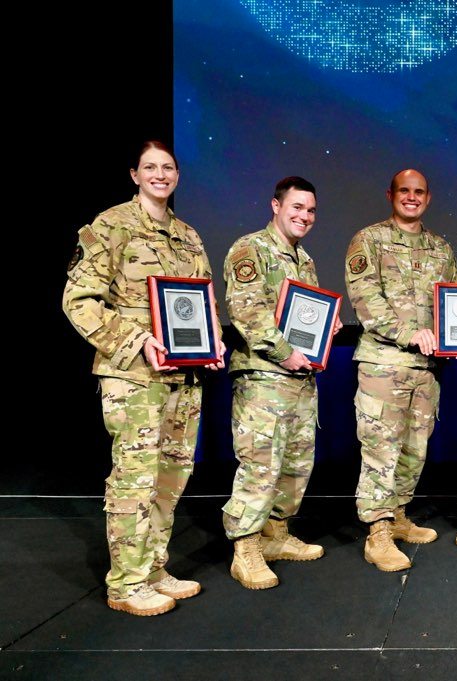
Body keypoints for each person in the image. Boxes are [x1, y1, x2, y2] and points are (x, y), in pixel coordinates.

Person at [63, 141, 225, 616]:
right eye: (150, 167)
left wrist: (213, 342)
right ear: (134, 174)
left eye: (168, 167)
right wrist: (136, 340)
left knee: (170, 477)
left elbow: (203, 301)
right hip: (134, 375)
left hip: (183, 376)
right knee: (134, 478)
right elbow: (78, 301)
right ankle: (127, 583)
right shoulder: (110, 226)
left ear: (177, 175)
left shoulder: (188, 235)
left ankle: (153, 568)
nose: (160, 174)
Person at [222, 176, 339, 590]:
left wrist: (327, 329)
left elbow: (305, 317)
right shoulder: (250, 249)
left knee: (295, 463)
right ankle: (245, 549)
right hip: (264, 377)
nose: (305, 216)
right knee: (261, 463)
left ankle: (275, 534)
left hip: (299, 378)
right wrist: (285, 352)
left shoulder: (304, 259)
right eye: (297, 207)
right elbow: (247, 312)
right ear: (276, 206)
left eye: (311, 210)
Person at [345, 169, 457, 572]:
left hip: (426, 369)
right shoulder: (369, 240)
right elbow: (366, 300)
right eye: (404, 191)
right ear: (390, 195)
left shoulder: (440, 248)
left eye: (419, 192)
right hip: (384, 365)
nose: (412, 197)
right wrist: (410, 334)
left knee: (414, 449)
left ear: (428, 198)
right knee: (381, 450)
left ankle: (397, 516)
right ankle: (377, 534)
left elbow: (455, 302)